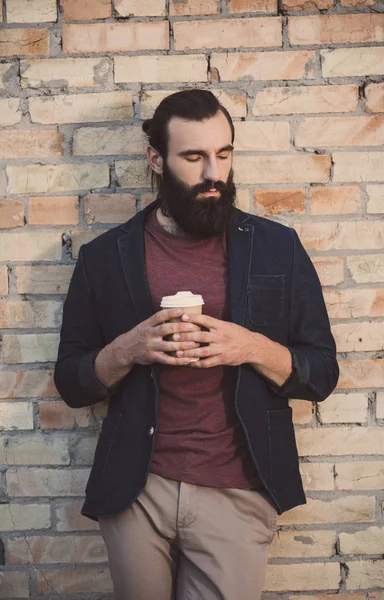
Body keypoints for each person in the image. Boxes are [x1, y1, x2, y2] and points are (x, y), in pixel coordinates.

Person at [54, 89, 339, 600]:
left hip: (237, 488)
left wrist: (249, 346)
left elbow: (321, 373)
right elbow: (72, 384)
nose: (214, 173)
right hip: (136, 492)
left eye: (224, 154)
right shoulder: (103, 258)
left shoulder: (277, 247)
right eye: (194, 157)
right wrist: (128, 350)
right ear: (156, 159)